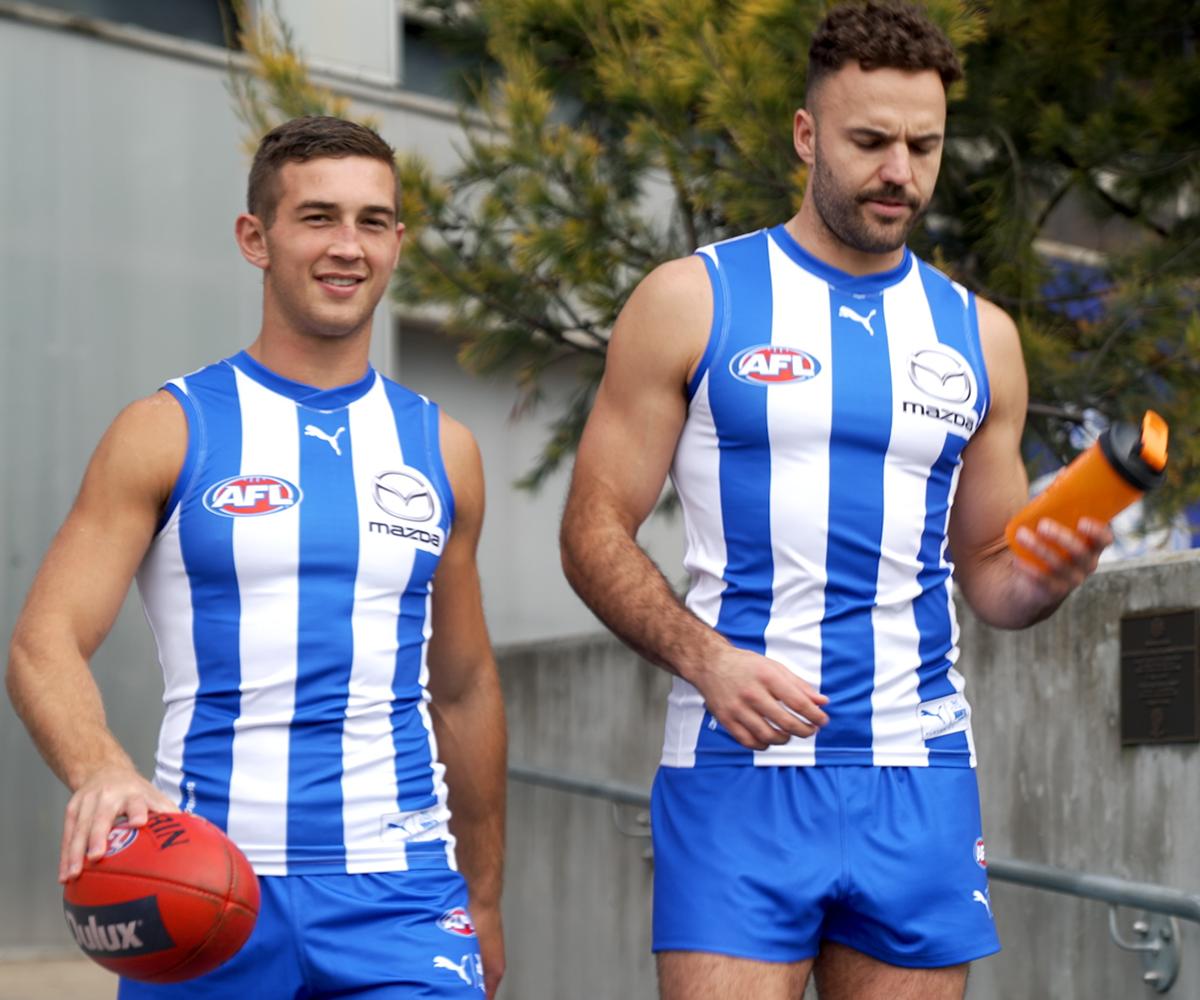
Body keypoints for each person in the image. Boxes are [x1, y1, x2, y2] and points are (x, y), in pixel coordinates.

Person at [559, 4, 1112, 999]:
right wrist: (703, 656)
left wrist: (1053, 573)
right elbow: (591, 526)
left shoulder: (981, 337)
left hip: (920, 772)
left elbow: (992, 578)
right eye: (870, 141)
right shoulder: (692, 299)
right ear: (807, 136)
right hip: (737, 772)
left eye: (923, 144)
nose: (900, 169)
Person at [7, 116, 505, 999]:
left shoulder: (445, 448)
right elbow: (42, 640)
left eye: (372, 221)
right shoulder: (167, 428)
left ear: (397, 241)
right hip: (200, 887)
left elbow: (462, 685)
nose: (346, 247)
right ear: (256, 238)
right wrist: (101, 769)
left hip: (403, 891)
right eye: (316, 218)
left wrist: (488, 893)